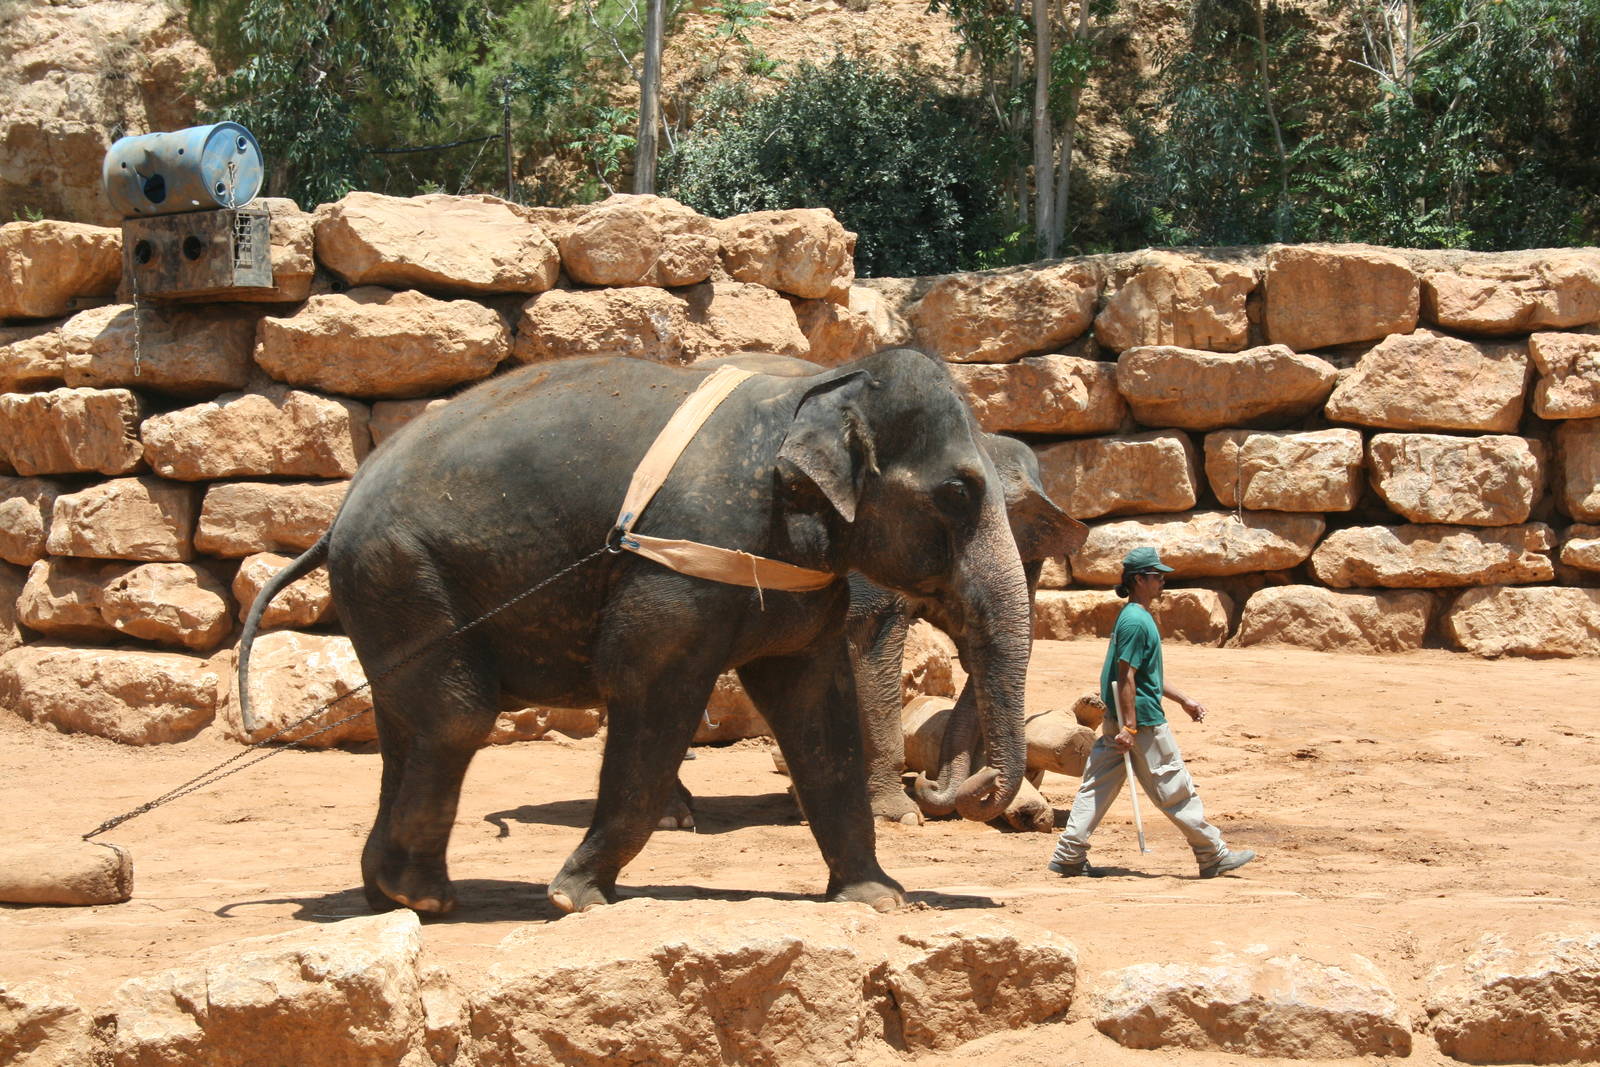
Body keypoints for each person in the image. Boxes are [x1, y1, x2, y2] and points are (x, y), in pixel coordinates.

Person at [1047, 546, 1256, 879]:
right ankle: (1212, 854)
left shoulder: (1133, 617)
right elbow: (1125, 676)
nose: (1162, 582)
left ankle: (1069, 854)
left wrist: (1183, 700)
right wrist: (1130, 728)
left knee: (1097, 786)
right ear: (1139, 580)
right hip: (1141, 723)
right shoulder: (1135, 622)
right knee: (1173, 787)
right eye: (1157, 577)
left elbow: (1147, 676)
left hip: (1123, 719)